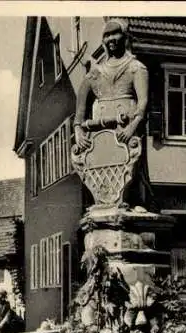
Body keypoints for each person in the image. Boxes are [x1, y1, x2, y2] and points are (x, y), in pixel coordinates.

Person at [74, 18, 154, 208]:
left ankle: (137, 201)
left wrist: (133, 126)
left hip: (126, 129)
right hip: (101, 134)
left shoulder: (136, 68)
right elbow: (80, 107)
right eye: (107, 35)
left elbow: (143, 103)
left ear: (124, 36)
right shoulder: (95, 72)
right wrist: (78, 130)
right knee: (101, 169)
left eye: (115, 33)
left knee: (132, 169)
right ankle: (103, 202)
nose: (111, 39)